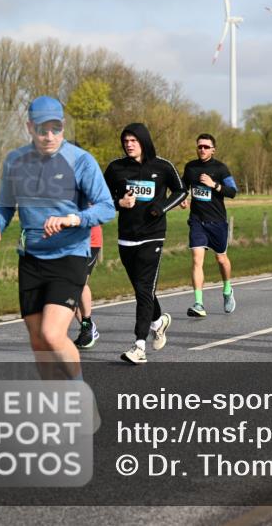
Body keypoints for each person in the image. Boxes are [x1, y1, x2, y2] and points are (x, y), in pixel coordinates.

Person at [0, 96, 115, 378]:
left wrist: (74, 219)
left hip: (69, 255)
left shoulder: (81, 161)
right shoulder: (15, 161)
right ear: (29, 127)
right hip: (31, 258)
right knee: (38, 341)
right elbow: (6, 205)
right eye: (42, 129)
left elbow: (107, 207)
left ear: (64, 127)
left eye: (56, 129)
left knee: (52, 334)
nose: (49, 136)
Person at [104, 123, 185, 364]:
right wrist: (120, 203)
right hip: (126, 237)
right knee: (143, 289)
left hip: (153, 235)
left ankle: (139, 346)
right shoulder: (115, 168)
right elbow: (101, 199)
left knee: (143, 290)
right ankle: (158, 322)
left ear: (144, 141)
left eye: (133, 140)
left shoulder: (162, 166)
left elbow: (181, 192)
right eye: (125, 141)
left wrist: (162, 207)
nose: (129, 144)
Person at [181, 133, 238, 318]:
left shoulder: (221, 169)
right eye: (200, 146)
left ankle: (228, 289)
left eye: (206, 147)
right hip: (197, 221)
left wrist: (214, 185)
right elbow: (182, 187)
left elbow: (233, 192)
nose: (202, 149)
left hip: (217, 221)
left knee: (221, 259)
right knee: (197, 260)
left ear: (213, 149)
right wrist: (182, 199)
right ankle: (199, 303)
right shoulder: (190, 167)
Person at [73, 223, 103, 349]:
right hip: (66, 244)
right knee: (68, 290)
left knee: (79, 283)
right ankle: (87, 328)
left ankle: (87, 326)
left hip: (88, 242)